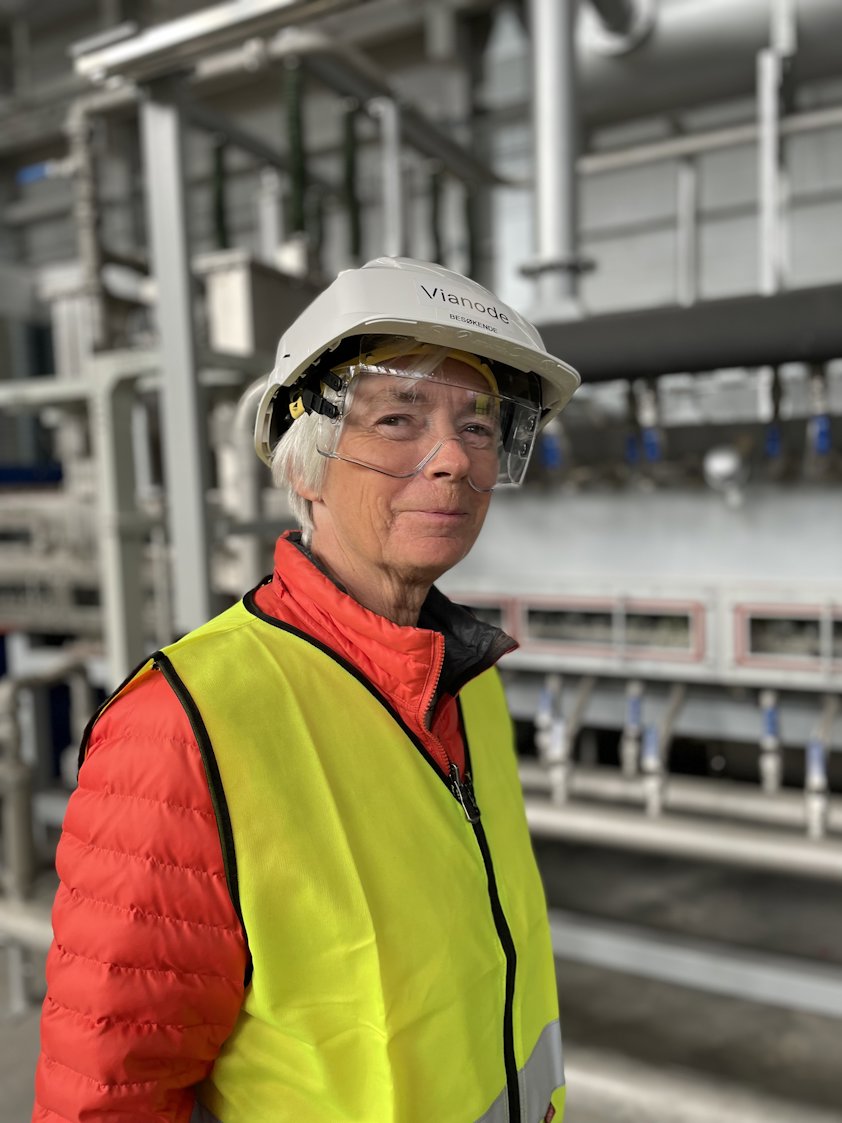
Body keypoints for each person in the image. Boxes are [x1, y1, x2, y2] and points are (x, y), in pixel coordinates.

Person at [32, 256, 580, 1123]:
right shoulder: (181, 726)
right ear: (303, 464)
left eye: (479, 426)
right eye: (398, 418)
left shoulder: (465, 678)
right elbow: (109, 1091)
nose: (452, 461)